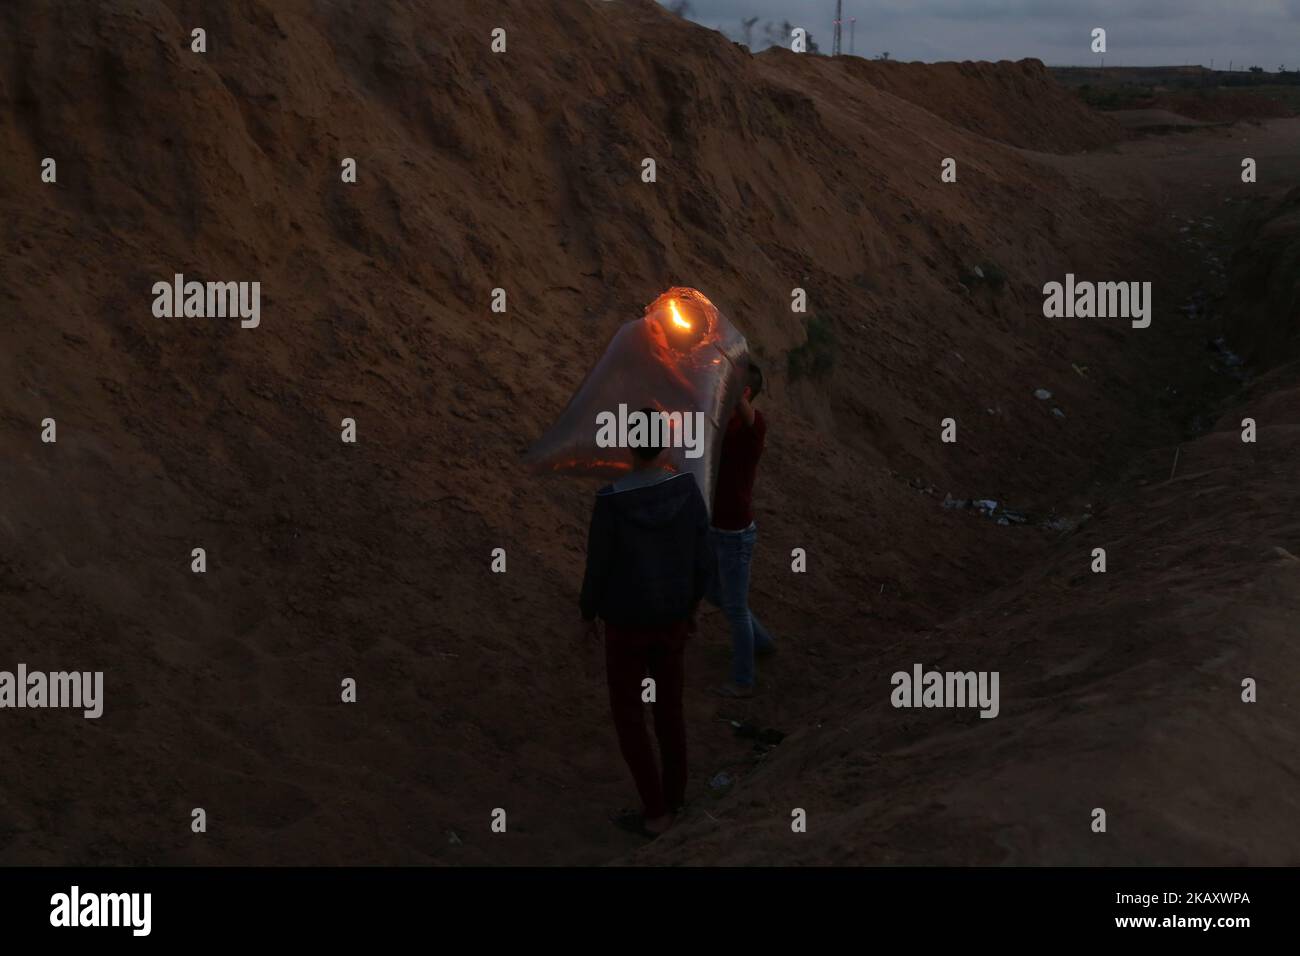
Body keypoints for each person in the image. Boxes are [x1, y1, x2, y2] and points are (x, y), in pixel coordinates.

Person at [580, 408, 713, 839]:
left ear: (628, 443)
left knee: (629, 715)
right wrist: (692, 607)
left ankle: (655, 812)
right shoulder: (687, 490)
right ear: (664, 443)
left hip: (627, 624)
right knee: (669, 709)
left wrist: (588, 613)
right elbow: (702, 559)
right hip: (672, 618)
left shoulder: (611, 502)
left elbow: (597, 568)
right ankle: (674, 799)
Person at [708, 361, 775, 698]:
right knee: (712, 590)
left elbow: (746, 416)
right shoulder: (724, 421)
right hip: (715, 525)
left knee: (734, 605)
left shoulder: (754, 424)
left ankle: (743, 680)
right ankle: (761, 641)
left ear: (744, 393)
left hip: (735, 533)